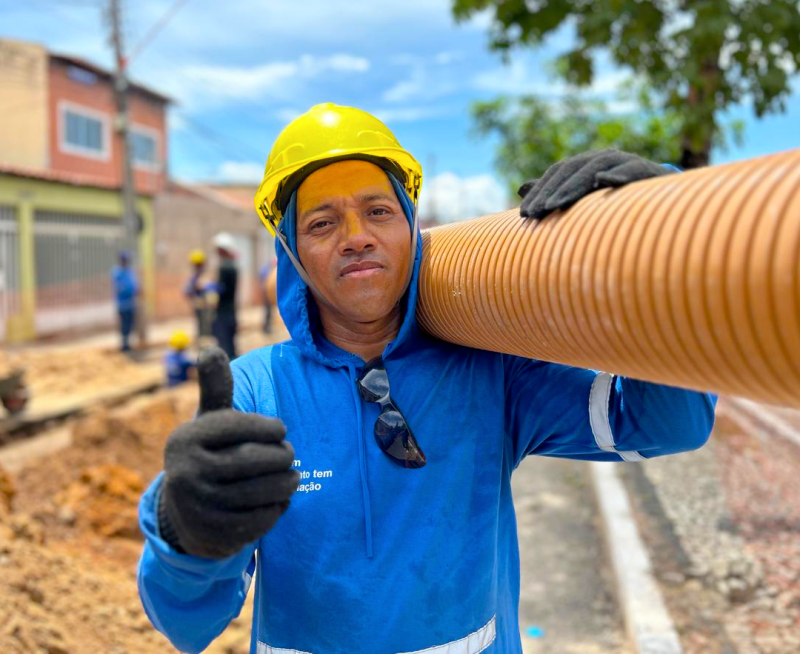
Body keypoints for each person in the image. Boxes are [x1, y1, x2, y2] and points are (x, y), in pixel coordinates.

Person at [137, 104, 716, 654]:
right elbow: (188, 624)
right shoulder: (258, 391)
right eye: (321, 222)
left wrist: (656, 223)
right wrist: (185, 533)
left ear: (411, 227)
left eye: (378, 211)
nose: (356, 234)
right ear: (292, 251)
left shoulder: (488, 367)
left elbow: (662, 425)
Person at [210, 233, 238, 360]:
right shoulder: (232, 265)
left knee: (225, 343)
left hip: (224, 311)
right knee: (230, 342)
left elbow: (222, 289)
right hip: (230, 309)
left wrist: (209, 287)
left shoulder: (225, 267)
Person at [111, 250, 138, 352]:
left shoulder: (129, 271)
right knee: (124, 325)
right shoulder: (118, 273)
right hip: (123, 304)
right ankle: (124, 344)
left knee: (130, 324)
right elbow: (123, 288)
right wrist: (133, 291)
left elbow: (134, 285)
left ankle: (127, 343)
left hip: (130, 304)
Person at [184, 250, 214, 343]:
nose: (198, 266)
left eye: (199, 264)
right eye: (196, 264)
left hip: (206, 305)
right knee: (201, 326)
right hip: (199, 305)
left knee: (207, 326)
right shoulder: (194, 277)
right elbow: (187, 291)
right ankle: (202, 342)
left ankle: (205, 341)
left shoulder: (205, 276)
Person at [258, 254, 277, 334]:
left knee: (269, 311)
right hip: (266, 292)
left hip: (268, 292)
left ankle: (267, 327)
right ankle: (266, 328)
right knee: (267, 310)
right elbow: (263, 279)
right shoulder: (267, 269)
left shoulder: (271, 270)